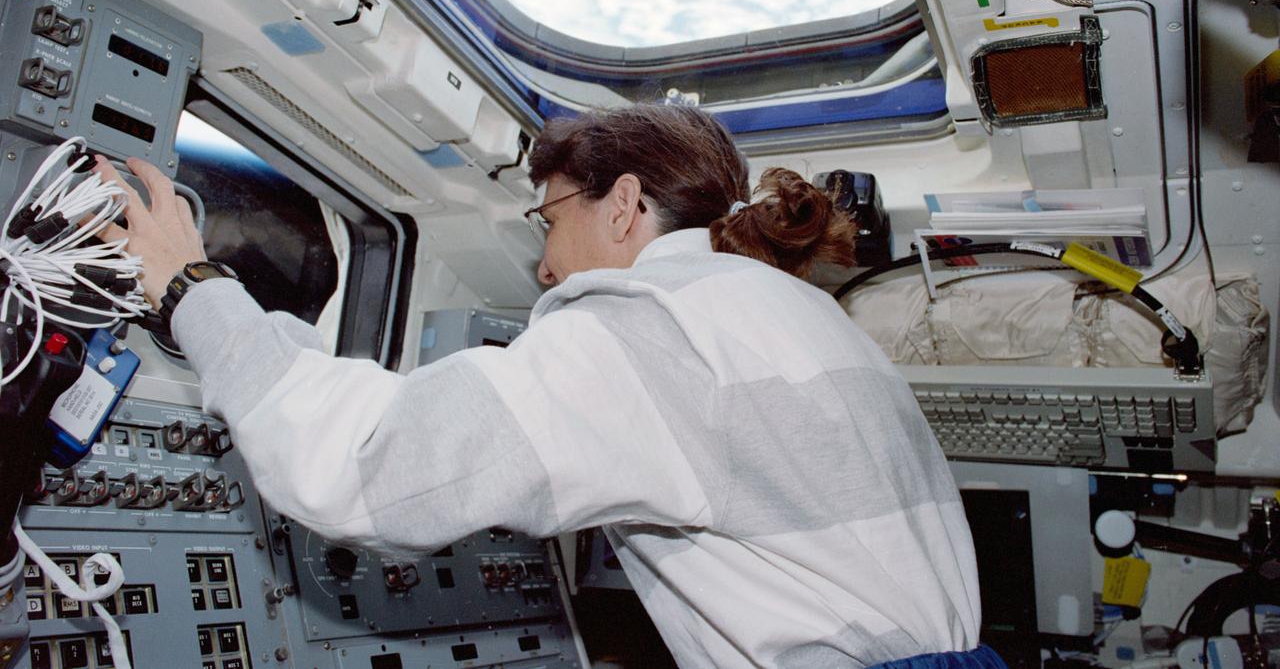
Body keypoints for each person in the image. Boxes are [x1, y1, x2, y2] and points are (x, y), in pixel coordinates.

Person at [95, 105, 993, 669]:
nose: (543, 257)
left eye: (548, 215)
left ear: (624, 205)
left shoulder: (646, 326)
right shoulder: (795, 311)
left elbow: (362, 465)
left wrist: (190, 288)